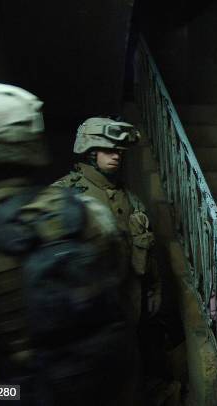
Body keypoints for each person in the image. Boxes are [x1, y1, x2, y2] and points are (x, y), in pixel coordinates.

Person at [0, 83, 134, 404]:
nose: (115, 156)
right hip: (86, 385)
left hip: (10, 392)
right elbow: (114, 275)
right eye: (107, 148)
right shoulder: (84, 210)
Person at [52, 117, 160, 325]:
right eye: (108, 150)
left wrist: (154, 288)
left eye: (119, 151)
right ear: (90, 151)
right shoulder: (62, 196)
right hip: (85, 316)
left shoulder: (129, 198)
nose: (116, 156)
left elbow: (148, 249)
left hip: (128, 307)